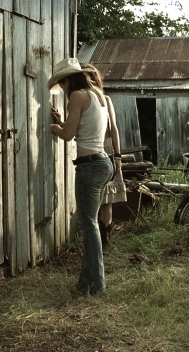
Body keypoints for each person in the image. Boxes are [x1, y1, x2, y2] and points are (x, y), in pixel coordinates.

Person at [48, 58, 113, 295]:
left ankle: (96, 284)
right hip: (103, 162)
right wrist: (62, 122)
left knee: (89, 225)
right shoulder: (97, 95)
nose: (62, 90)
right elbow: (84, 129)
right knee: (91, 224)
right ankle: (86, 283)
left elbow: (67, 135)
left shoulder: (77, 96)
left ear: (68, 80)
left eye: (61, 85)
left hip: (90, 166)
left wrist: (54, 128)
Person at [81, 64, 126, 253]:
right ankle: (96, 240)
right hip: (91, 151)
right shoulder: (82, 99)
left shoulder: (105, 100)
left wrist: (117, 155)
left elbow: (113, 128)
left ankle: (105, 239)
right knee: (95, 199)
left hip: (105, 150)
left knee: (107, 199)